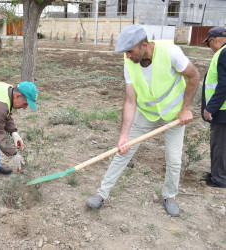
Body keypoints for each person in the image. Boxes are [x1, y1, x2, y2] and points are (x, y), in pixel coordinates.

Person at [86, 24, 200, 216]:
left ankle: (170, 197)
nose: (127, 56)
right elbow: (130, 101)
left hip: (173, 115)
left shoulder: (171, 52)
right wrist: (123, 136)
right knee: (123, 151)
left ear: (144, 45)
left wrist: (186, 109)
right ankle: (101, 194)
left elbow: (194, 76)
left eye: (130, 51)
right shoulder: (129, 62)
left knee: (173, 159)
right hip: (146, 113)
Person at [201, 27, 226, 188]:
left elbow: (223, 85)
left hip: (222, 110)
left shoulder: (223, 53)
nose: (210, 47)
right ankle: (219, 173)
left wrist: (211, 108)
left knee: (219, 145)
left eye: (209, 43)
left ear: (214, 40)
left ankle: (219, 178)